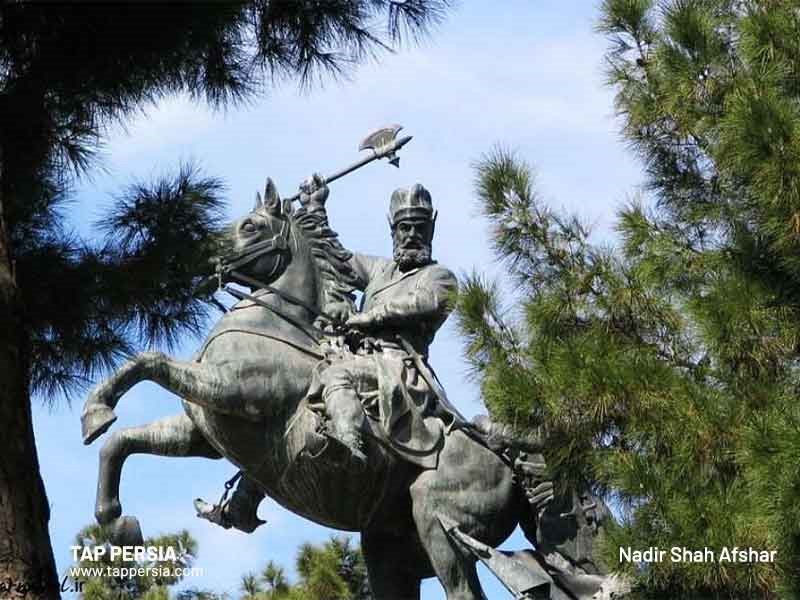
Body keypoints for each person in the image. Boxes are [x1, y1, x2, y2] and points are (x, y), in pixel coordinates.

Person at [300, 174, 466, 469]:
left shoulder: (441, 277)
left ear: (432, 229)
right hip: (358, 355)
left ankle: (349, 444)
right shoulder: (380, 270)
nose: (412, 234)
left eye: (420, 227)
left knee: (336, 376)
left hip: (398, 367)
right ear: (393, 230)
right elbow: (337, 259)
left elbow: (418, 303)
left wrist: (366, 318)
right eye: (405, 227)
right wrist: (315, 209)